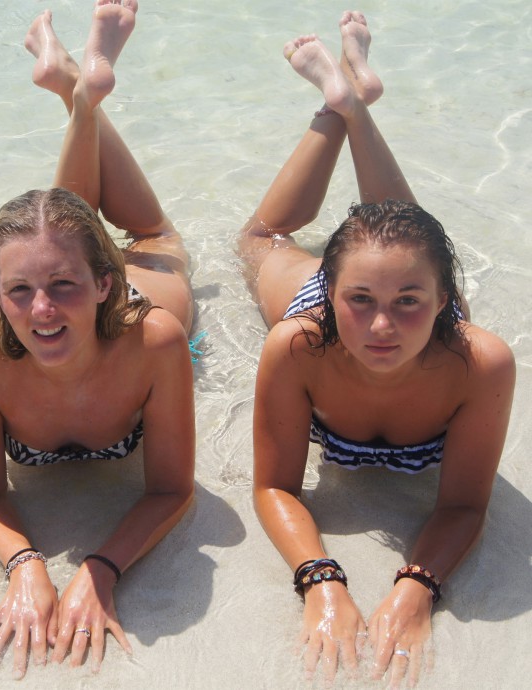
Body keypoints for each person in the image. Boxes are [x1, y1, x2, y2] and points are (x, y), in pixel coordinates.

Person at [238, 12, 515, 687]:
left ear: (445, 301)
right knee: (260, 239)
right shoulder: (299, 344)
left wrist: (416, 587)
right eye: (358, 300)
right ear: (329, 294)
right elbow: (274, 485)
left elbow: (463, 505)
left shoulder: (479, 362)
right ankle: (344, 106)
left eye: (408, 305)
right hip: (327, 313)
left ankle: (350, 99)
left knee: (401, 246)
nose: (382, 327)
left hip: (439, 329)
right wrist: (321, 582)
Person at [0, 0, 195, 677]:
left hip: (149, 282)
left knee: (155, 240)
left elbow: (173, 491)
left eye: (63, 289)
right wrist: (25, 566)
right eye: (18, 291)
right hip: (79, 259)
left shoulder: (155, 342)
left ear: (105, 287)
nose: (41, 312)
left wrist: (102, 568)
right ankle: (76, 90)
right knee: (55, 236)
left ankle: (79, 94)